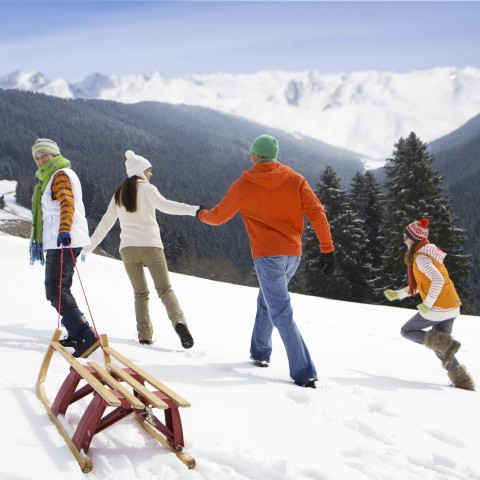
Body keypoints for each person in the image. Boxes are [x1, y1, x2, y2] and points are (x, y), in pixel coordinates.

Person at [197, 134, 336, 388]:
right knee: (267, 301)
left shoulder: (245, 184)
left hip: (267, 256)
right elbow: (317, 213)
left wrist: (200, 214)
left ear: (257, 155)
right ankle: (260, 352)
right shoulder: (295, 180)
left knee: (280, 310)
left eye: (251, 152)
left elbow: (217, 217)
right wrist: (328, 249)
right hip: (292, 255)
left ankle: (305, 372)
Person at [82, 150, 198, 349]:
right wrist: (194, 210)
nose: (151, 173)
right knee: (165, 290)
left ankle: (144, 335)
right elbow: (167, 206)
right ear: (141, 171)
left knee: (140, 293)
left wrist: (87, 249)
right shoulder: (148, 189)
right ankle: (178, 322)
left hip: (128, 250)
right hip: (152, 247)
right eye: (148, 170)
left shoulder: (119, 193)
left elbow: (105, 223)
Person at [384, 218, 475, 391]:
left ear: (414, 238)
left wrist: (428, 304)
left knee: (408, 331)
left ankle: (446, 347)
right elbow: (423, 283)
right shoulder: (430, 253)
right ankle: (462, 380)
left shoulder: (421, 258)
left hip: (438, 307)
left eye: (405, 237)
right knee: (438, 344)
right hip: (452, 306)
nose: (404, 240)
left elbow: (438, 280)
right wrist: (398, 294)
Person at [30, 138, 99, 358]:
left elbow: (67, 203)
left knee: (54, 289)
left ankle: (85, 336)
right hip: (61, 239)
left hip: (63, 239)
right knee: (62, 288)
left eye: (44, 156)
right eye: (37, 157)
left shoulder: (59, 175)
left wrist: (63, 230)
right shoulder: (52, 176)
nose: (40, 160)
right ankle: (76, 331)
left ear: (54, 155)